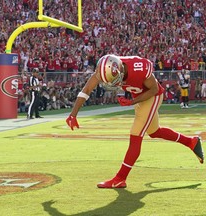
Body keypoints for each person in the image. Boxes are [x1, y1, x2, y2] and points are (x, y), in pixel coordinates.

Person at [66, 54, 204, 189]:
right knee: (155, 132)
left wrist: (132, 101)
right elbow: (87, 89)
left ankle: (120, 179)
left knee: (136, 134)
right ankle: (191, 142)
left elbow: (154, 89)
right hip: (139, 97)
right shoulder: (105, 67)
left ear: (120, 70)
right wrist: (73, 114)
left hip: (152, 96)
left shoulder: (138, 67)